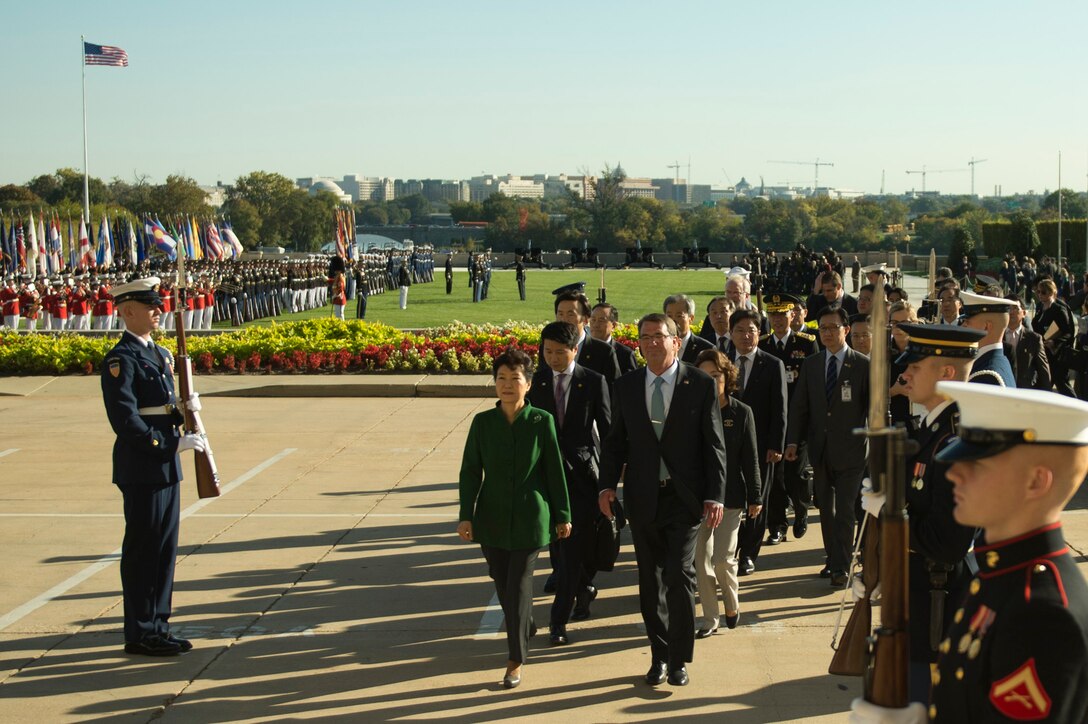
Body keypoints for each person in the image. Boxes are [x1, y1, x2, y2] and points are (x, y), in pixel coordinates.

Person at [851, 382, 1088, 723]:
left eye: (978, 464)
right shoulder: (1001, 575)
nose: (955, 472)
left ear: (1036, 481)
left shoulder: (1042, 612)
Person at [598, 313, 727, 687]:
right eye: (645, 337)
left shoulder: (699, 384)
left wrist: (714, 496)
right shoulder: (626, 385)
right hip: (642, 499)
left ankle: (678, 659)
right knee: (650, 581)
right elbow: (614, 442)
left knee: (679, 575)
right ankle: (658, 654)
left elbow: (714, 445)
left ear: (675, 341)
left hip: (684, 500)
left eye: (659, 336)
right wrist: (607, 486)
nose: (652, 343)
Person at [868, 323, 986, 704]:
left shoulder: (954, 441)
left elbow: (946, 543)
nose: (905, 375)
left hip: (937, 607)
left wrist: (888, 514)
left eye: (916, 368)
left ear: (947, 373)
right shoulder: (933, 432)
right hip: (917, 600)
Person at [100, 277, 207, 657]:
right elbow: (126, 420)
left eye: (157, 305)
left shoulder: (160, 354)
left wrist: (185, 410)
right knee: (144, 550)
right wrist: (170, 444)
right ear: (128, 311)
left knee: (164, 550)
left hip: (165, 467)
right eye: (149, 306)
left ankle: (159, 625)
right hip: (144, 464)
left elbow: (163, 407)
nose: (158, 311)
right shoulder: (120, 359)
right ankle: (141, 631)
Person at [457, 349, 572, 690]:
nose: (507, 385)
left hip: (530, 520)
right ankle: (526, 625)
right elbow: (469, 472)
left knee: (519, 587)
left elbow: (554, 471)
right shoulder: (482, 423)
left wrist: (563, 514)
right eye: (501, 379)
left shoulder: (541, 421)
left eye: (515, 379)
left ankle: (516, 658)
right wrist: (466, 514)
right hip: (491, 520)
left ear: (529, 384)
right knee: (502, 582)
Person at [528, 322, 611, 644]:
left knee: (572, 550)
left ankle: (557, 623)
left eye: (560, 353)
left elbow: (608, 431)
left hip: (581, 475)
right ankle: (583, 589)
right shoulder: (537, 381)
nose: (553, 359)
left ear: (575, 350)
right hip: (546, 476)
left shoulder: (592, 382)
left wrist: (609, 477)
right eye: (547, 352)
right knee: (558, 549)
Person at [785, 306, 870, 586]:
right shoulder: (811, 364)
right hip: (821, 450)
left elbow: (873, 409)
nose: (828, 334)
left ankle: (841, 566)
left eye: (834, 328)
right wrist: (794, 441)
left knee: (845, 510)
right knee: (826, 510)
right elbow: (800, 407)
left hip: (853, 452)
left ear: (846, 330)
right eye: (823, 329)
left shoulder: (862, 365)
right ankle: (832, 558)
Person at [692, 349, 761, 637]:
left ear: (727, 377)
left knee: (722, 559)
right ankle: (710, 618)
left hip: (731, 497)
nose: (712, 381)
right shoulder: (691, 411)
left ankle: (731, 604)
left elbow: (751, 458)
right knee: (701, 559)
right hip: (698, 499)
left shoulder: (742, 412)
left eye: (717, 376)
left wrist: (755, 496)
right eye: (705, 377)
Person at [729, 308, 787, 573]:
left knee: (756, 499)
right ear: (731, 334)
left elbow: (780, 409)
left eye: (751, 330)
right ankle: (729, 549)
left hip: (762, 446)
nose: (745, 336)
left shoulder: (772, 364)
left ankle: (748, 554)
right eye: (739, 330)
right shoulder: (721, 362)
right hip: (726, 444)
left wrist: (777, 445)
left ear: (759, 334)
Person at [759, 293, 818, 543]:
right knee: (774, 477)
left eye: (782, 314)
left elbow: (812, 385)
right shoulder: (763, 345)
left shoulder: (806, 343)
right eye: (773, 315)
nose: (778, 320)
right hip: (772, 420)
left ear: (792, 315)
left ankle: (802, 509)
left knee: (796, 474)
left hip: (798, 420)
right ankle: (777, 526)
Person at [957, 290, 1016, 387]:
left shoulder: (988, 376)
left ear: (986, 327)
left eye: (967, 322)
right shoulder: (994, 362)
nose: (963, 326)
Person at [1032, 278, 1076, 396]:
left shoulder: (1059, 309)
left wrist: (1054, 342)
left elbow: (1068, 332)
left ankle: (1078, 407)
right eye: (1038, 292)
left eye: (1043, 292)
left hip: (1057, 355)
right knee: (1043, 383)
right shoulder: (1040, 308)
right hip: (1043, 352)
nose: (1040, 295)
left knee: (1062, 384)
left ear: (1052, 293)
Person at [1004, 294, 1051, 391]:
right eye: (1007, 308)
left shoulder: (1034, 339)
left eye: (1015, 308)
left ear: (1024, 313)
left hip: (1024, 392)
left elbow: (1044, 372)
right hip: (1001, 390)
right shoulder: (996, 335)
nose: (1011, 312)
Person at [664, 293, 715, 365]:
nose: (673, 320)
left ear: (691, 318)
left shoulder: (706, 349)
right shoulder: (659, 345)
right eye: (669, 316)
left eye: (679, 316)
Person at [589, 302, 638, 374]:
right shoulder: (579, 348)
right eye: (593, 320)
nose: (596, 325)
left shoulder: (625, 355)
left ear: (614, 325)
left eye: (601, 320)